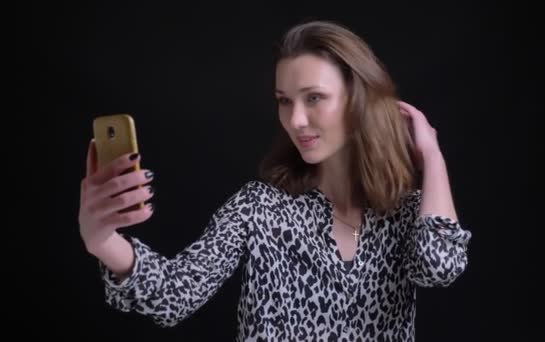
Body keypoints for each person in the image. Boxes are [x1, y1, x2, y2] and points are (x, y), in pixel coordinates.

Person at [78, 20, 472, 342]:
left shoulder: (404, 211)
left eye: (314, 97)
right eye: (285, 100)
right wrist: (102, 241)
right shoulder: (259, 207)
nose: (295, 119)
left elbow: (440, 267)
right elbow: (174, 296)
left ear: (359, 100)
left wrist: (432, 156)